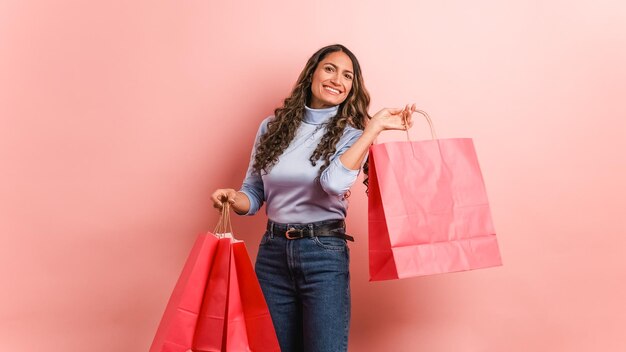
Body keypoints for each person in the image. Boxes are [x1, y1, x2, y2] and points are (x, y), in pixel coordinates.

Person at [211, 44, 416, 352]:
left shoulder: (352, 134)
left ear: (352, 88)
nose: (337, 79)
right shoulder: (272, 128)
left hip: (323, 255)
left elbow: (333, 184)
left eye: (348, 76)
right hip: (272, 255)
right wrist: (232, 198)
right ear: (312, 74)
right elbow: (253, 195)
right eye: (330, 69)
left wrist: (372, 129)